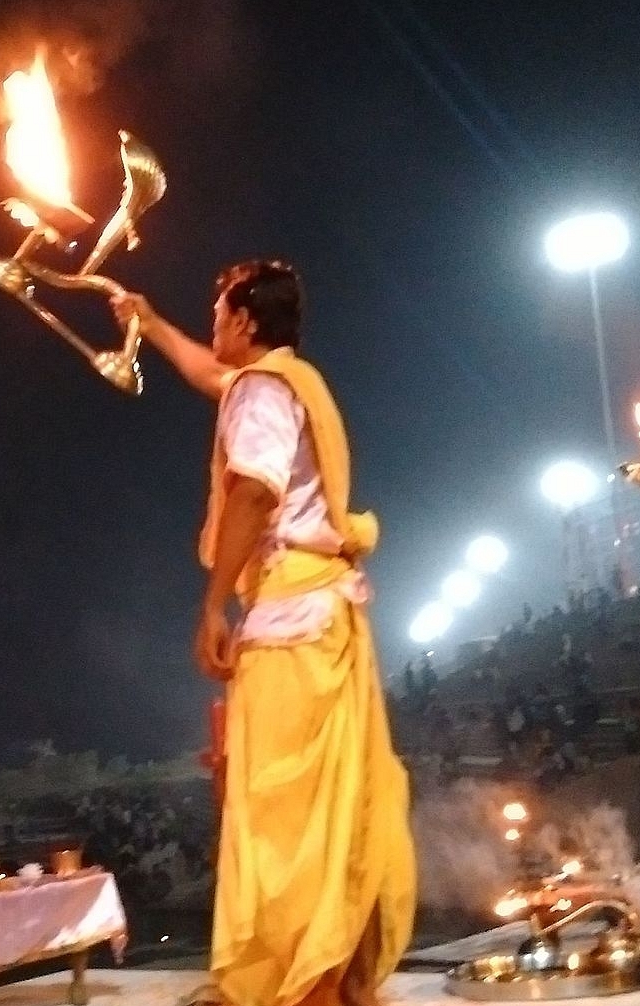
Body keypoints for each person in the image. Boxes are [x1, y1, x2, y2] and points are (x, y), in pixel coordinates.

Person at [114, 260, 415, 1006]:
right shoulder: (291, 381)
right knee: (336, 807)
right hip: (328, 618)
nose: (212, 325)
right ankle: (339, 983)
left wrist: (212, 605)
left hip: (289, 623)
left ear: (246, 320)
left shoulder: (261, 392)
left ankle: (305, 987)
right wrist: (147, 324)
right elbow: (210, 375)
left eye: (218, 312)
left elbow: (253, 490)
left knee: (288, 815)